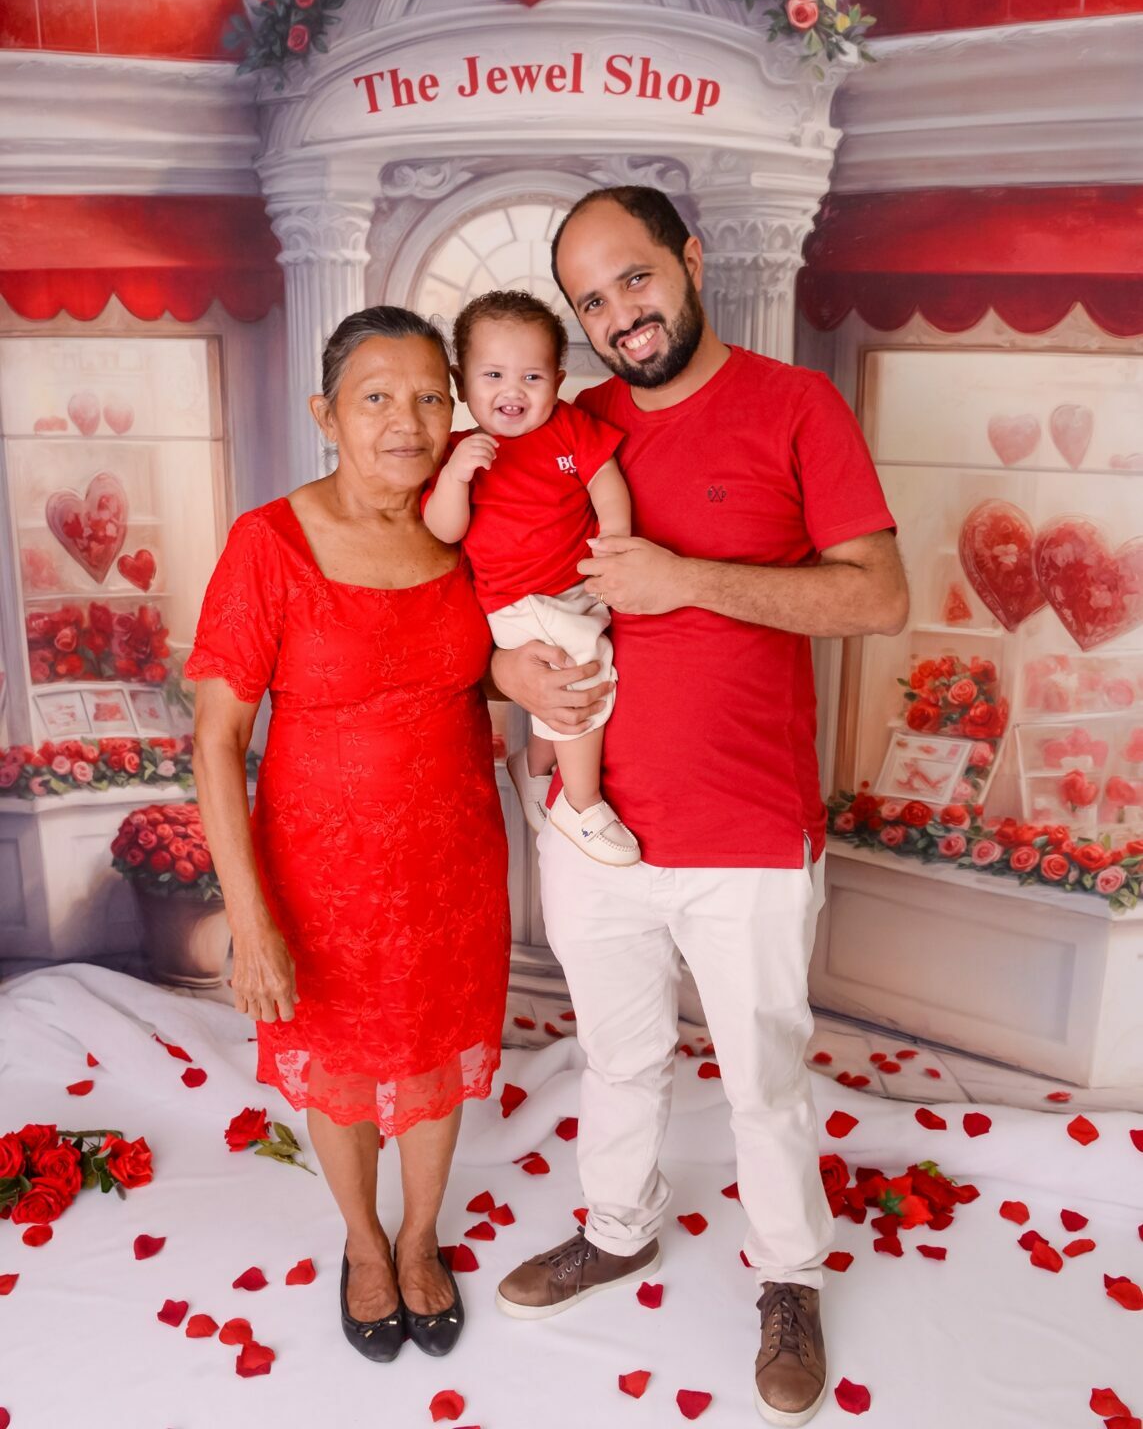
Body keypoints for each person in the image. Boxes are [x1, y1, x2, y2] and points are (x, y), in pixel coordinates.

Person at [490, 188, 908, 1425]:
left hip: (748, 830)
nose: (619, 314)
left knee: (763, 1079)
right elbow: (485, 583)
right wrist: (507, 671)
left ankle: (789, 1276)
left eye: (634, 278)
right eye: (590, 301)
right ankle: (618, 1228)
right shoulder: (562, 427)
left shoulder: (796, 405)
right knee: (616, 1059)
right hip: (593, 828)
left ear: (689, 255)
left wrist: (685, 579)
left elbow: (877, 596)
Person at [187, 306, 510, 1364]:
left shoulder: (467, 529)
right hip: (321, 876)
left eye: (429, 397)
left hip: (454, 865)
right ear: (326, 415)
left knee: (433, 1056)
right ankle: (365, 1242)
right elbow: (216, 741)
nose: (405, 422)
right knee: (338, 1061)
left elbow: (492, 658)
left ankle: (420, 1238)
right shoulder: (269, 544)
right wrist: (250, 922)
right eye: (376, 398)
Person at [423, 288, 638, 867]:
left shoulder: (570, 427)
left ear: (558, 381)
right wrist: (456, 478)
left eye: (533, 377)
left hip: (576, 588)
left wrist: (615, 537)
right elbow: (444, 529)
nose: (512, 391)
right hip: (517, 599)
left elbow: (604, 480)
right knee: (580, 671)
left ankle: (534, 764)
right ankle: (582, 803)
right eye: (493, 375)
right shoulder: (461, 451)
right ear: (461, 383)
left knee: (572, 664)